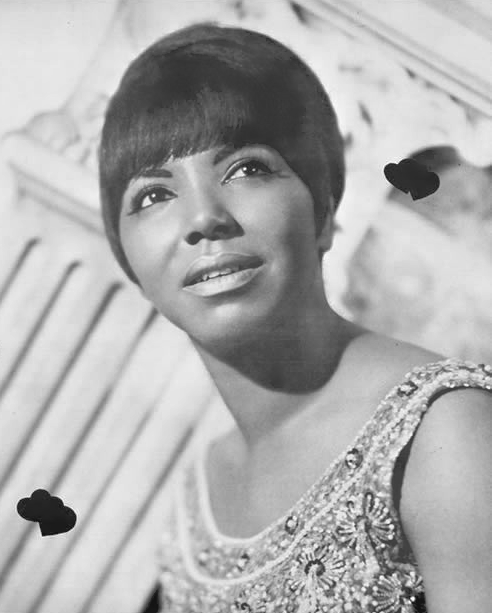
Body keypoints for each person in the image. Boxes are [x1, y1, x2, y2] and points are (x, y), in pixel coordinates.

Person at [99, 23, 492, 613]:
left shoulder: (446, 432)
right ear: (129, 260)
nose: (203, 217)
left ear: (324, 209)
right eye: (153, 195)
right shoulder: (198, 499)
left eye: (245, 169)